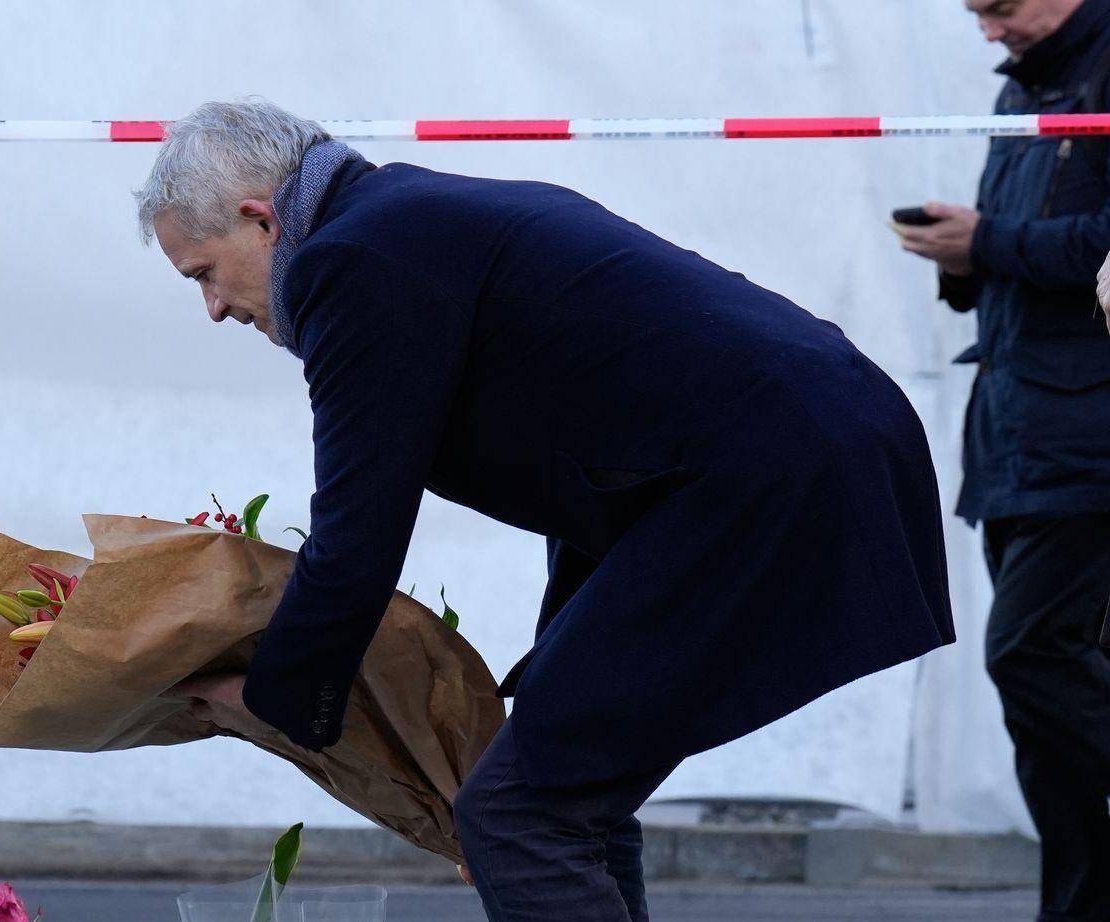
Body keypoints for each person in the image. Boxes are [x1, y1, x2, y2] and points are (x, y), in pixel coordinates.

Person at [147, 101, 955, 922]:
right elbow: (596, 447)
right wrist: (554, 673)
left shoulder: (355, 260)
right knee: (557, 794)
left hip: (769, 473)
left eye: (203, 272)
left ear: (260, 220)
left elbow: (360, 530)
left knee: (519, 814)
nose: (213, 307)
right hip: (785, 448)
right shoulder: (417, 216)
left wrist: (276, 699)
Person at [899, 0, 1110, 916]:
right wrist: (964, 257)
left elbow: (1100, 247)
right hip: (1016, 427)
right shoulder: (1025, 86)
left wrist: (985, 240)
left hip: (1088, 433)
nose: (988, 31)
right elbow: (1031, 252)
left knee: (1031, 657)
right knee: (1040, 703)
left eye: (1001, 8)